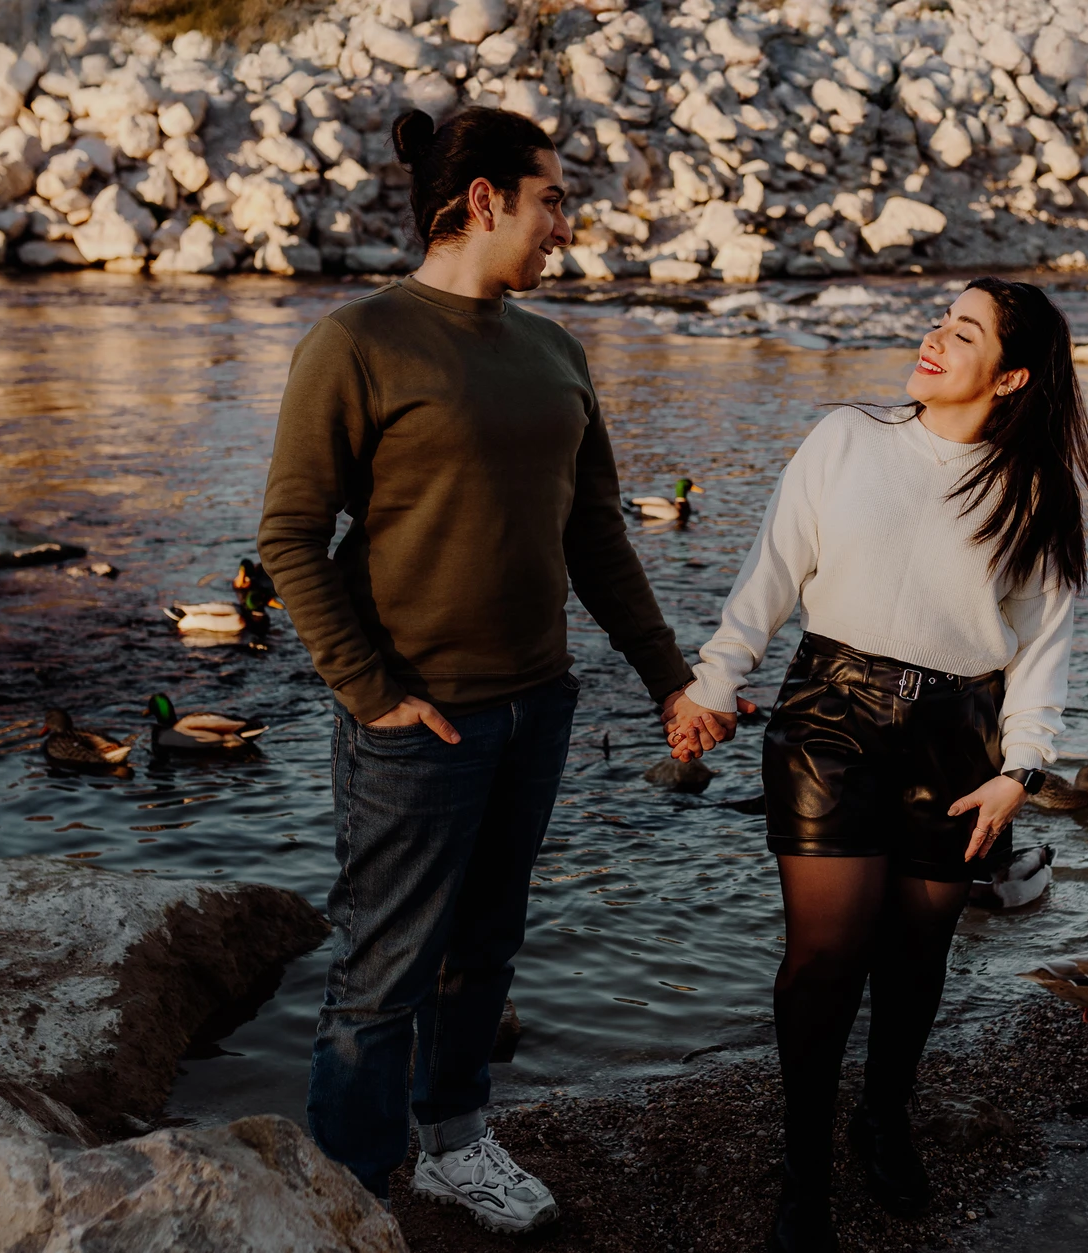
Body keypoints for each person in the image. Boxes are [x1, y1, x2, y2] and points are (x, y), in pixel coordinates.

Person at [258, 106, 702, 1234]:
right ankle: (353, 1197)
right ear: (483, 201)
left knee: (488, 944)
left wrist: (668, 676)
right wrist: (371, 694)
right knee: (383, 968)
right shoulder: (356, 342)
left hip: (537, 704)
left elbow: (595, 535)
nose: (566, 224)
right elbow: (290, 536)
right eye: (552, 198)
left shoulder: (556, 351)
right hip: (419, 720)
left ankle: (454, 1144)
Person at [666, 277, 1088, 1252]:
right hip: (829, 716)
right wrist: (712, 683)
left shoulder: (1035, 491)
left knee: (918, 952)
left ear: (1010, 377)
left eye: (964, 333)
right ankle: (805, 1176)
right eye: (938, 320)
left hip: (961, 739)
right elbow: (769, 571)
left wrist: (1020, 769)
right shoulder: (846, 438)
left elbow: (1043, 650)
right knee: (825, 957)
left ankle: (882, 1115)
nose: (933, 338)